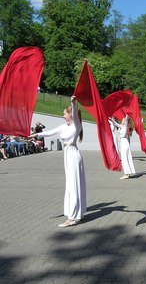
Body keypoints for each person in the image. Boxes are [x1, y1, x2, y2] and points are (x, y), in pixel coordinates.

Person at [30, 96, 86, 228]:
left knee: (74, 185)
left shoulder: (76, 126)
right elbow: (50, 132)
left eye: (64, 114)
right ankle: (79, 213)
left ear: (70, 115)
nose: (63, 116)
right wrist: (36, 135)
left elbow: (76, 116)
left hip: (73, 154)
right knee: (72, 184)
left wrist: (73, 103)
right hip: (68, 155)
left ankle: (72, 217)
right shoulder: (64, 126)